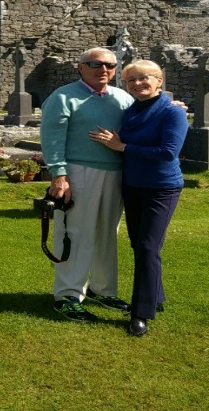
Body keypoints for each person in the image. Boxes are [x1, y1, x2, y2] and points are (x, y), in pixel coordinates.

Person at [92, 60, 187, 337]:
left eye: (144, 78)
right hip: (133, 185)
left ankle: (140, 312)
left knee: (147, 246)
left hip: (161, 188)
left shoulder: (172, 113)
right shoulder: (131, 110)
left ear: (159, 81)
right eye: (131, 80)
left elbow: (168, 152)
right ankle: (155, 297)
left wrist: (122, 147)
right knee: (140, 245)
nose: (137, 84)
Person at [40, 47, 134, 322]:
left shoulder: (122, 98)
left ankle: (103, 289)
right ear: (80, 67)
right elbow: (52, 138)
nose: (102, 69)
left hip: (116, 173)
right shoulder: (63, 97)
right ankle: (68, 295)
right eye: (95, 64)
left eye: (109, 65)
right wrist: (59, 175)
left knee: (107, 234)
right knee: (75, 234)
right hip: (78, 173)